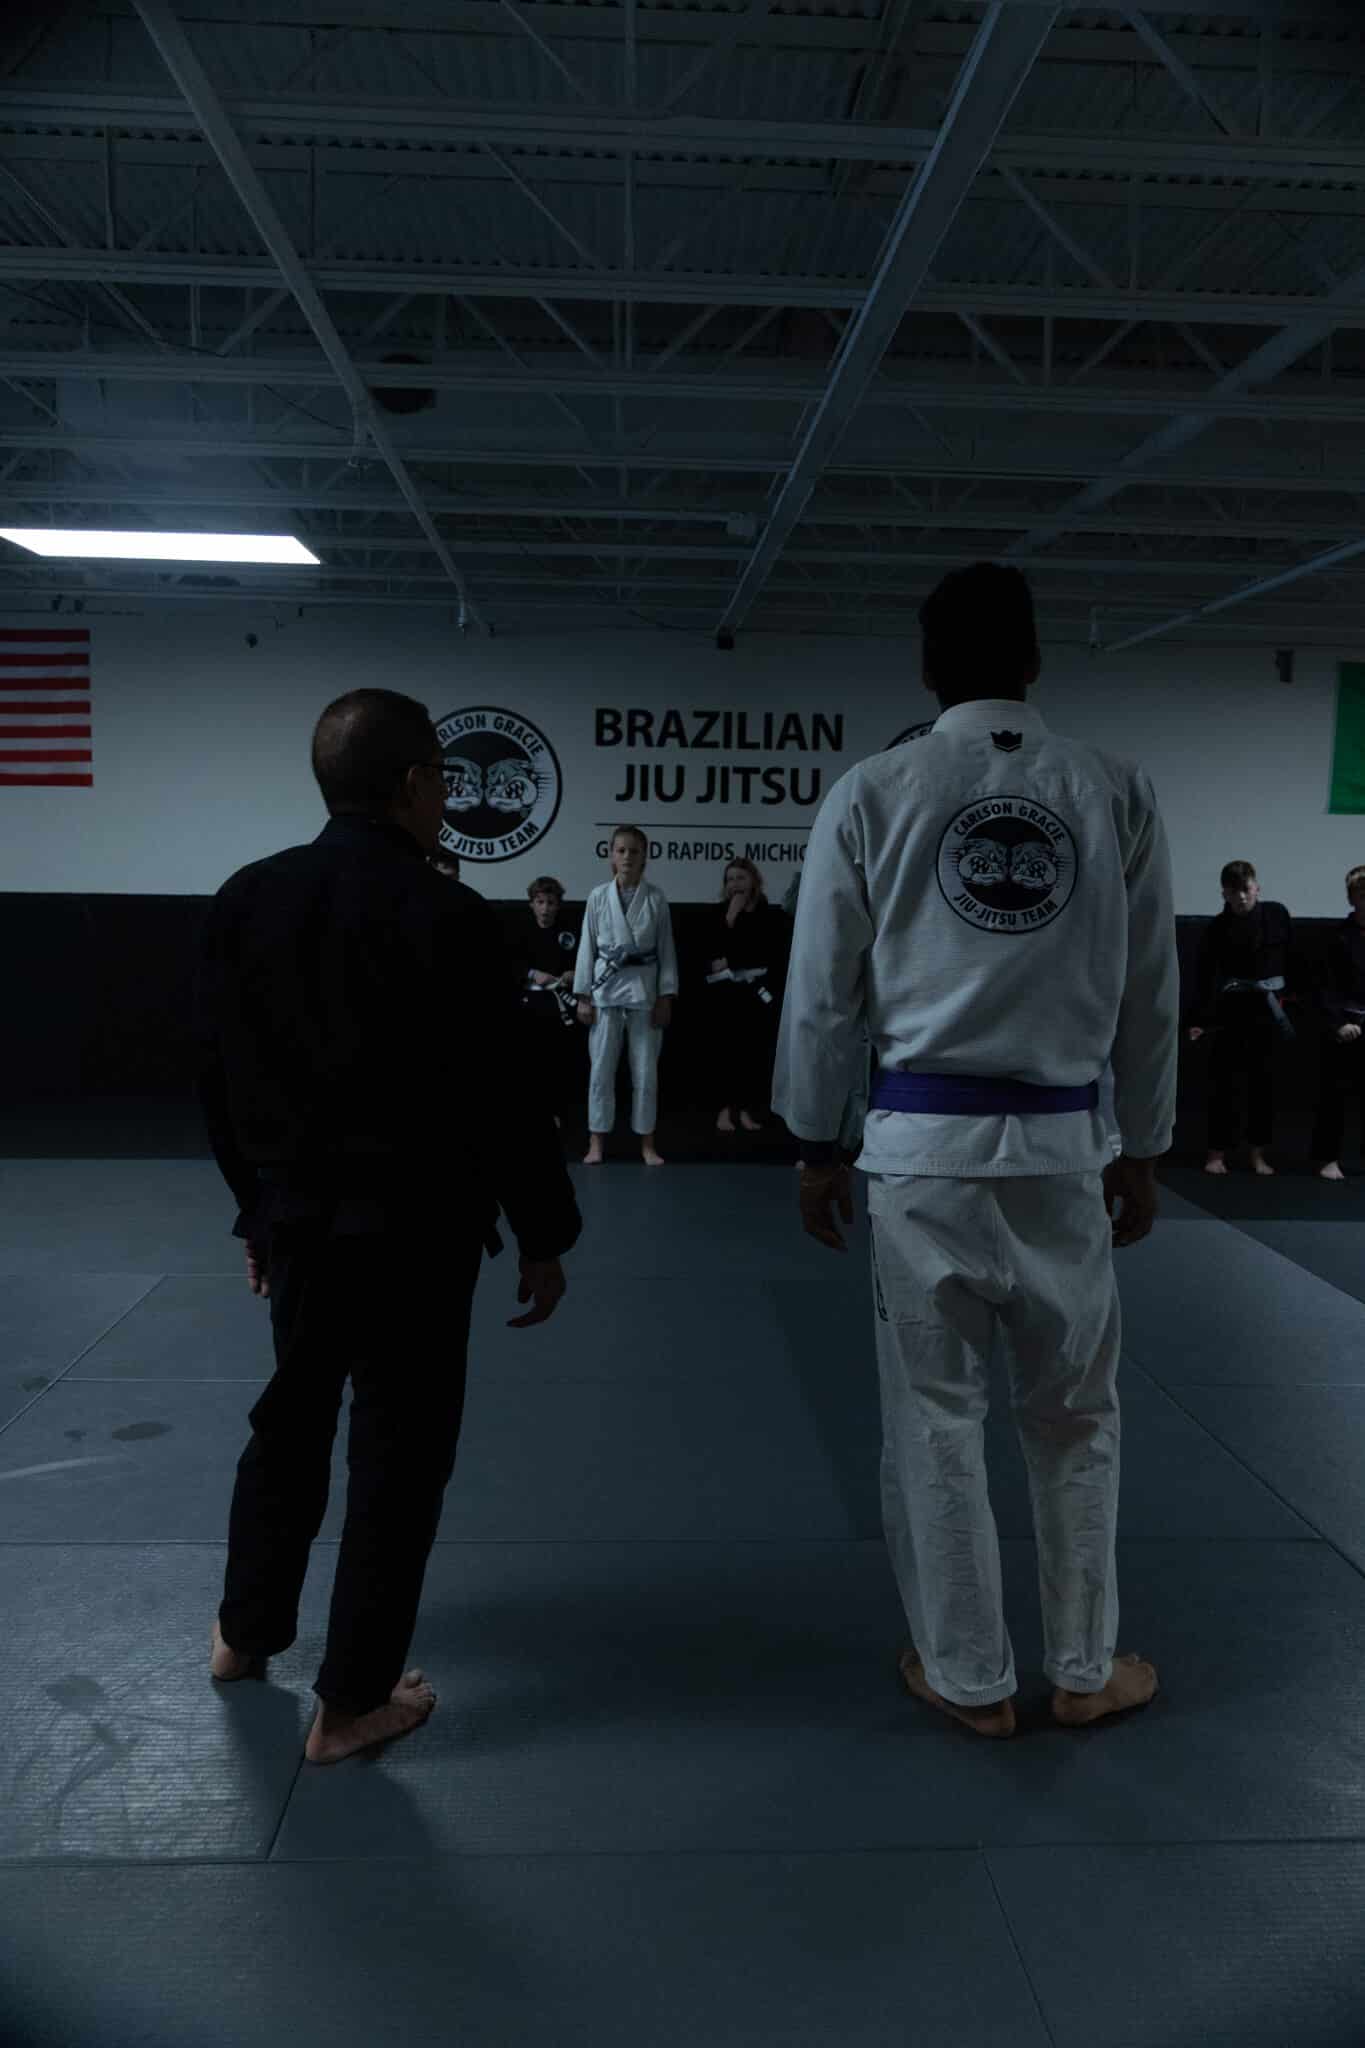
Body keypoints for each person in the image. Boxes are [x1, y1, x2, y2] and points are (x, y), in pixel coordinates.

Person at [774, 560, 1179, 1741]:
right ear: (1036, 661)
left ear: (926, 668)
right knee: (1077, 1414)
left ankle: (970, 1678)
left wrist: (813, 1140)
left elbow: (821, 993)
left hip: (921, 1154)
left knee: (934, 1417)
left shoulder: (873, 790)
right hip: (1066, 1147)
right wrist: (1146, 1145)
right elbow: (1153, 990)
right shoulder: (1114, 787)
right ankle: (1084, 1666)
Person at [195, 688, 581, 1766]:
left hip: (299, 1221)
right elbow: (504, 1099)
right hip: (417, 1231)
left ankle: (243, 1634)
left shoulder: (247, 897)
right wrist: (544, 1233)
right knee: (397, 1458)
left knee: (289, 1423)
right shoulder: (451, 916)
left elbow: (216, 1076)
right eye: (442, 780)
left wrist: (256, 1207)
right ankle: (352, 1703)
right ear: (416, 785)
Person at [574, 825, 677, 1166]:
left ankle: (647, 1142)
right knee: (600, 1070)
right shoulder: (597, 897)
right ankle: (596, 1141)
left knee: (646, 1072)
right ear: (611, 855)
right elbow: (587, 947)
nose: (627, 856)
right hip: (604, 991)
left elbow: (666, 950)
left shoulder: (656, 898)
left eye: (634, 851)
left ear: (645, 856)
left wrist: (666, 996)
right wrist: (583, 995)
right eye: (621, 850)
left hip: (644, 991)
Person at [1185, 860, 1295, 1176]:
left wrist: (1295, 1002)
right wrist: (1199, 1020)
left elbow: (1293, 959)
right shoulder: (1217, 928)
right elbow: (1204, 976)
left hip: (1269, 1011)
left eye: (1246, 889)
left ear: (1257, 887)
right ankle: (1216, 1153)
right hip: (1230, 1012)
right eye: (1234, 892)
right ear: (1224, 894)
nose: (1242, 897)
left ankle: (1258, 1155)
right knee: (1224, 1085)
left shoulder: (1277, 915)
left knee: (1264, 1085)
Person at [705, 858, 790, 1133]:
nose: (735, 884)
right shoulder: (719, 915)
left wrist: (732, 960)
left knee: (754, 1054)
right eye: (730, 879)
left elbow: (766, 954)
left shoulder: (771, 916)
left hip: (759, 995)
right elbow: (711, 957)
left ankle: (746, 1110)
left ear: (754, 881)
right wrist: (730, 919)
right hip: (728, 997)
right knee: (727, 1053)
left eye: (740, 878)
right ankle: (724, 1110)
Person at [508, 875, 582, 1123]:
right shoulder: (520, 930)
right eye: (540, 902)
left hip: (560, 1004)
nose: (545, 908)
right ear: (531, 904)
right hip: (529, 1004)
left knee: (557, 1061)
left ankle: (555, 1113)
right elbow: (508, 963)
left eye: (551, 903)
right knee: (528, 1061)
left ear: (558, 905)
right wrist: (532, 973)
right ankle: (529, 1112)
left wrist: (574, 973)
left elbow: (583, 962)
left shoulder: (569, 932)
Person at [1311, 864, 1365, 1181]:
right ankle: (1327, 1158)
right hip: (1345, 1026)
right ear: (1351, 898)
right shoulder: (1337, 938)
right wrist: (1338, 1024)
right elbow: (1324, 988)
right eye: (1361, 894)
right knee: (1334, 1097)